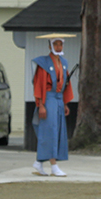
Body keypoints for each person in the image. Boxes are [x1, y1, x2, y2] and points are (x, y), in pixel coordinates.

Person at [31, 34, 74, 177]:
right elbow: (39, 84)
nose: (58, 47)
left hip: (59, 99)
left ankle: (38, 163)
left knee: (58, 131)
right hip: (48, 99)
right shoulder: (43, 63)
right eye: (55, 44)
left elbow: (65, 83)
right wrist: (41, 104)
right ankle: (54, 165)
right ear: (50, 46)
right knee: (50, 131)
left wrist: (65, 103)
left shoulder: (64, 62)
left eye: (60, 44)